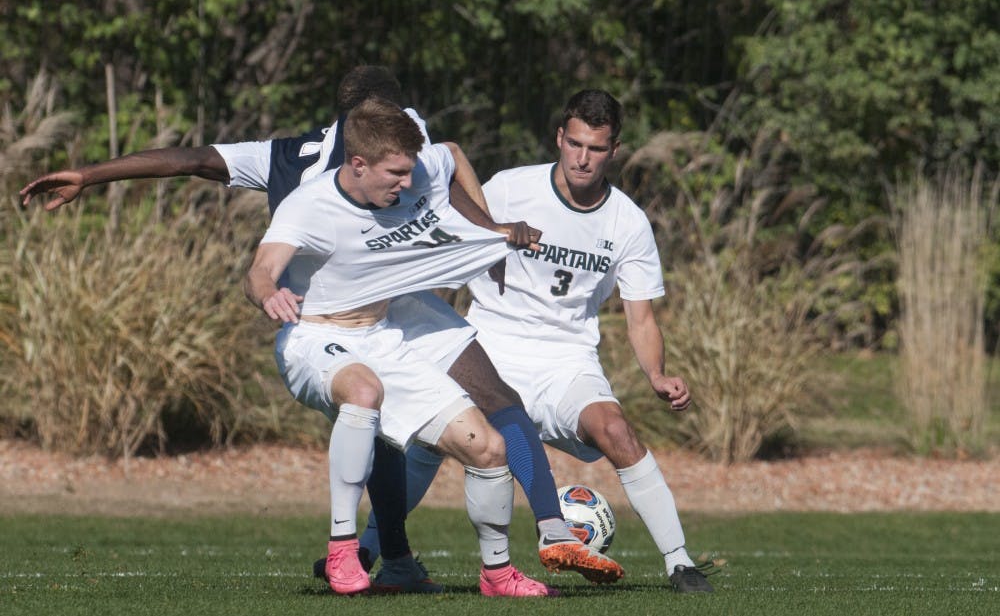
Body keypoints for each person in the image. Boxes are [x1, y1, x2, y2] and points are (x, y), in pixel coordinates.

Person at [19, 66, 624, 588]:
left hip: (402, 305)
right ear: (360, 130)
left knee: (490, 399)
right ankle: (377, 554)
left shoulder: (384, 146)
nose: (403, 138)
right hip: (329, 324)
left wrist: (486, 233)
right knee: (381, 422)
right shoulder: (303, 167)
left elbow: (445, 166)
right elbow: (200, 168)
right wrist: (91, 176)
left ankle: (542, 531)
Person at [362, 90, 716, 593]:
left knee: (616, 429)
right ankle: (366, 549)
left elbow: (641, 319)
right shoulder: (510, 188)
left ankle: (680, 563)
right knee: (427, 442)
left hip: (566, 359)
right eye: (573, 144)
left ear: (614, 149)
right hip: (487, 343)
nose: (581, 157)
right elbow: (451, 227)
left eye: (595, 148)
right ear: (559, 138)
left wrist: (656, 374)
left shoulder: (628, 222)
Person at [244, 96, 563, 597]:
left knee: (488, 447)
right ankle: (343, 552)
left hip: (383, 338)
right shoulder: (309, 207)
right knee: (364, 392)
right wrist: (270, 293)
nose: (407, 183)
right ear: (358, 163)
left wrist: (493, 229)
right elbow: (260, 271)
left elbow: (451, 154)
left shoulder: (412, 169)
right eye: (394, 173)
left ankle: (498, 574)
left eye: (410, 171)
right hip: (317, 338)